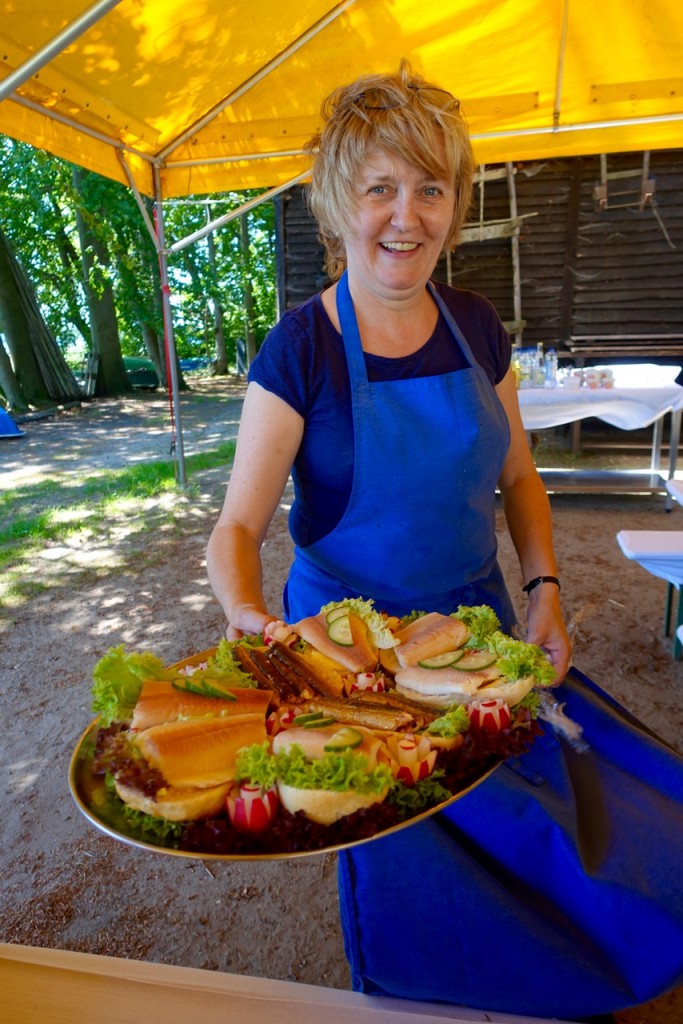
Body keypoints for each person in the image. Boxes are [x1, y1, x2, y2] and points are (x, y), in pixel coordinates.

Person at [208, 62, 683, 1022]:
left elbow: (518, 480)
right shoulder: (297, 349)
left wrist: (544, 588)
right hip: (349, 666)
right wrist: (256, 624)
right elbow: (238, 527)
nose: (406, 215)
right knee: (424, 872)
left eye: (431, 188)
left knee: (572, 824)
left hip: (478, 632)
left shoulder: (475, 327)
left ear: (455, 203)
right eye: (381, 186)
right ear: (338, 200)